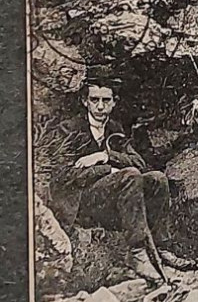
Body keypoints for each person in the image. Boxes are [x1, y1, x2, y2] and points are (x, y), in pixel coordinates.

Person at [48, 70, 188, 283]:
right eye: (95, 100)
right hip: (81, 203)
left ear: (114, 103)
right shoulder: (69, 129)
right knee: (130, 175)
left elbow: (139, 163)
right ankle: (138, 252)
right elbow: (62, 177)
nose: (101, 106)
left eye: (106, 100)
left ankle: (161, 246)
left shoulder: (114, 129)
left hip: (113, 198)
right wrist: (107, 170)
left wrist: (104, 156)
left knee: (157, 178)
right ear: (85, 102)